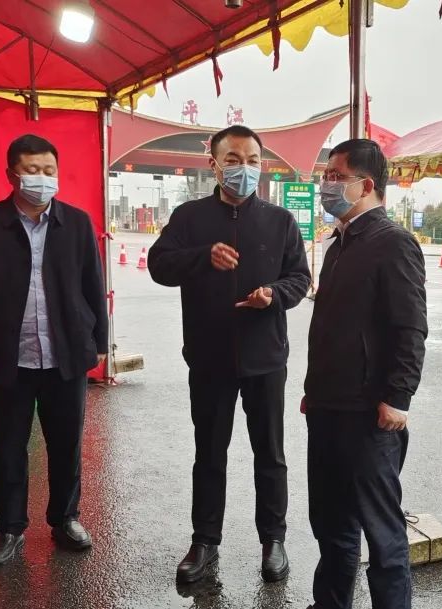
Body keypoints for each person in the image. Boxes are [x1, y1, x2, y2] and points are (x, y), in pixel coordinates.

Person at [148, 125, 310, 585]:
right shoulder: (189, 218)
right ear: (214, 165)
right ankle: (204, 541)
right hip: (210, 357)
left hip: (265, 358)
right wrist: (202, 256)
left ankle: (273, 539)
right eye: (234, 160)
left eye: (252, 160)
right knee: (209, 453)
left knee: (270, 454)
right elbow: (159, 265)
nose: (244, 168)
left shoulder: (280, 221)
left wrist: (273, 295)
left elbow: (300, 278)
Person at [0, 134, 108, 566]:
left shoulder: (76, 223)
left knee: (67, 444)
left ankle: (65, 519)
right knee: (8, 447)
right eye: (32, 170)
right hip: (9, 357)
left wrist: (99, 343)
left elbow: (93, 287)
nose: (41, 178)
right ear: (12, 175)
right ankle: (9, 528)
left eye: (48, 170)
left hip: (65, 356)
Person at [303, 139, 428, 609]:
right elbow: (333, 329)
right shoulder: (340, 242)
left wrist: (398, 397)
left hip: (370, 414)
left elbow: (410, 327)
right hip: (328, 406)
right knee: (331, 525)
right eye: (326, 176)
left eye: (337, 176)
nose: (327, 184)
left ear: (366, 184)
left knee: (382, 533)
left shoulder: (393, 243)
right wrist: (314, 390)